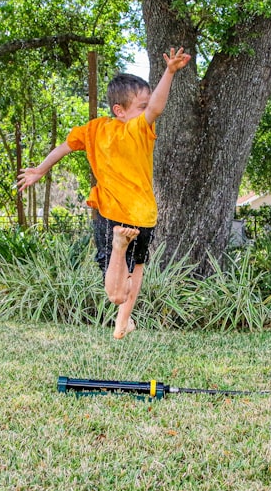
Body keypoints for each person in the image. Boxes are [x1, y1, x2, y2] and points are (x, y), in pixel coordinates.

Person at [17, 47, 191, 339]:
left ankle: (123, 308)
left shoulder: (99, 129)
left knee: (117, 287)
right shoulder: (130, 129)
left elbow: (65, 147)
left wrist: (41, 169)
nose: (147, 112)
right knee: (135, 270)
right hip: (137, 214)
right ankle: (123, 319)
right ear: (119, 110)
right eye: (141, 107)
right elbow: (156, 109)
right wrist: (170, 72)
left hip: (115, 215)